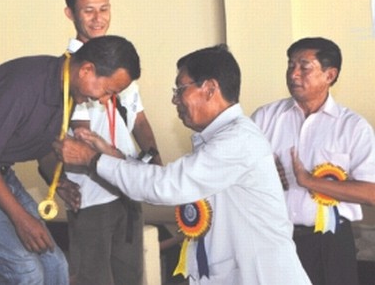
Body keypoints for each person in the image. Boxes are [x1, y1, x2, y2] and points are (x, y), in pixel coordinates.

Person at [54, 44, 311, 285]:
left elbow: (167, 185)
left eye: (180, 90)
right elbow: (171, 178)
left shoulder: (238, 140)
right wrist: (111, 155)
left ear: (209, 88)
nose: (175, 100)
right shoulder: (218, 139)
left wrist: (92, 159)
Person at [0, 35, 141, 285]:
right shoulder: (23, 85)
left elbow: (44, 143)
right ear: (86, 70)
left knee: (56, 264)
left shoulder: (68, 89)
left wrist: (58, 182)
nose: (105, 100)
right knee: (27, 272)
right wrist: (21, 218)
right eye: (108, 91)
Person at [62, 0, 162, 285]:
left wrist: (155, 165)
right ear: (70, 13)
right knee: (94, 278)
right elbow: (81, 135)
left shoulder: (119, 60)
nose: (98, 18)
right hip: (92, 193)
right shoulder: (71, 70)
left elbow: (139, 121)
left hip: (127, 185)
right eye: (88, 10)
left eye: (104, 9)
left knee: (131, 274)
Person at [252, 37, 375, 285]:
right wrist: (260, 172)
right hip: (273, 238)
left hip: (330, 244)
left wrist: (310, 181)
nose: (293, 74)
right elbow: (235, 171)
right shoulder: (265, 118)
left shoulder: (352, 127)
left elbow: (371, 192)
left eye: (304, 67)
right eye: (290, 65)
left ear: (330, 75)